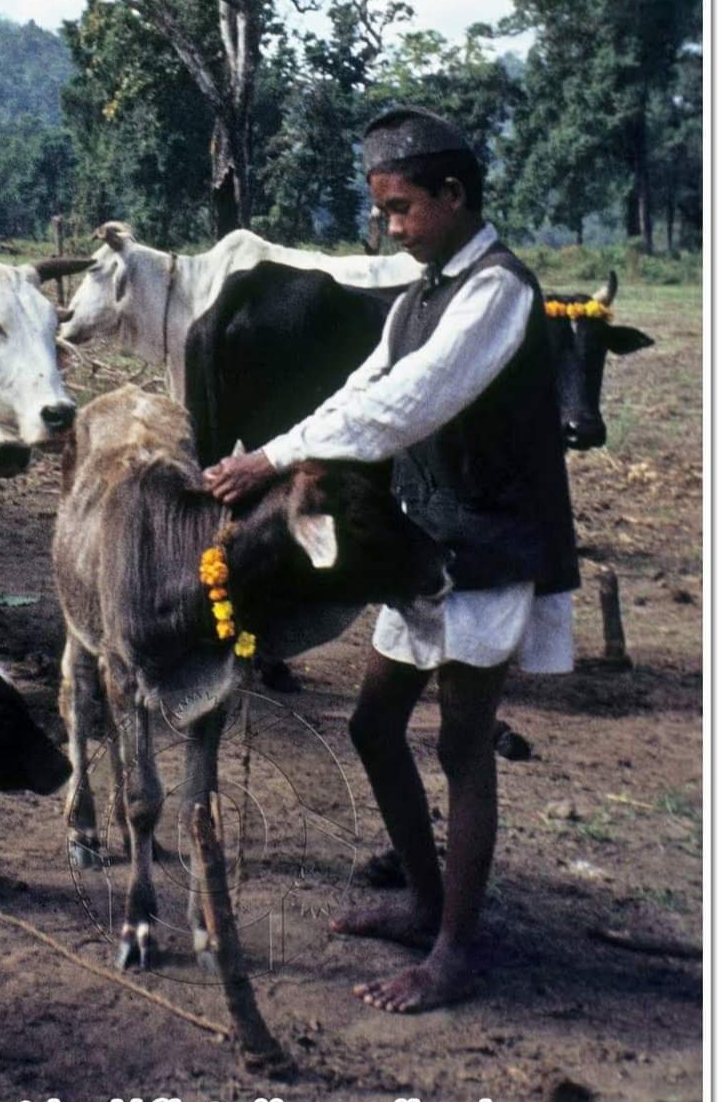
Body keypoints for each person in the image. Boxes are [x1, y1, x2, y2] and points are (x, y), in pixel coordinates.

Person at [203, 106, 580, 1013]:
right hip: (429, 538)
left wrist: (275, 458)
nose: (390, 227)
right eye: (382, 211)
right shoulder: (419, 295)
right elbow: (363, 387)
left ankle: (455, 949)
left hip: (490, 546)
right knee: (374, 727)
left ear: (454, 196)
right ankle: (422, 898)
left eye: (403, 208)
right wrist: (278, 448)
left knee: (461, 744)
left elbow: (409, 405)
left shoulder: (498, 291)